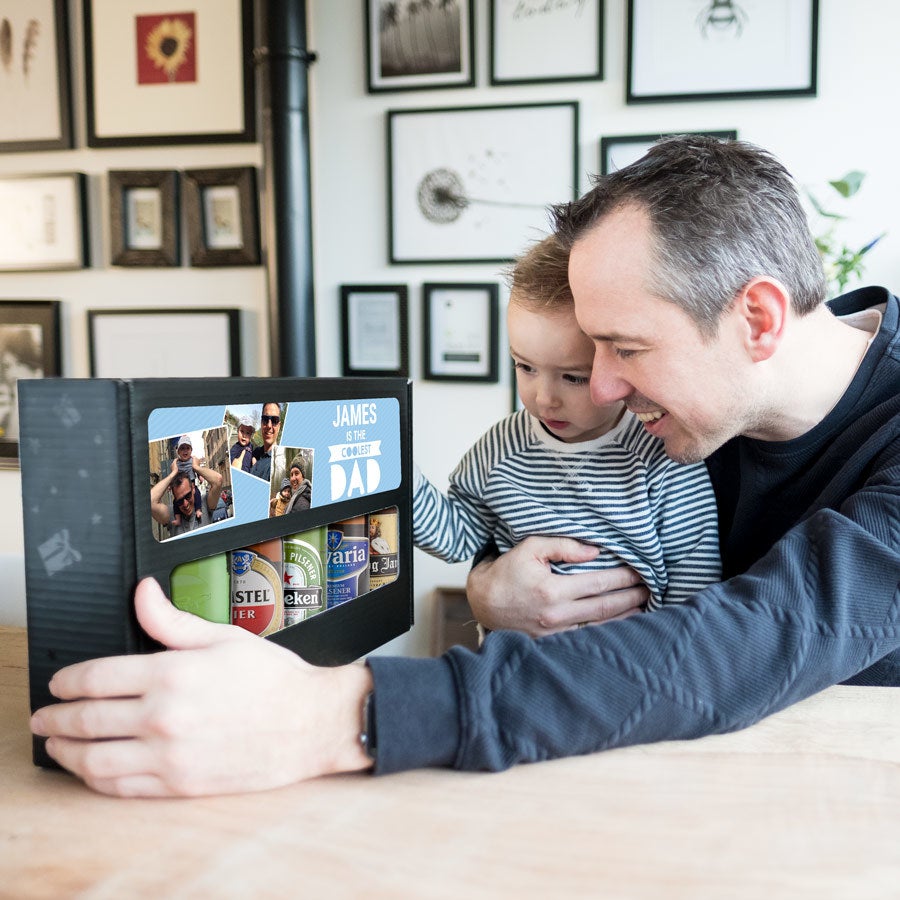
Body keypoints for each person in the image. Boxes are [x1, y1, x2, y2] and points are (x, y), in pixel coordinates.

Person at [30, 137, 900, 799]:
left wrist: (335, 715)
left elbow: (750, 638)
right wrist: (488, 590)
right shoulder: (681, 413)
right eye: (588, 351)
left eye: (626, 348)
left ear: (758, 319)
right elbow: (504, 541)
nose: (599, 388)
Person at [413, 235, 721, 614]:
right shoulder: (500, 448)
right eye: (525, 366)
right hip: (519, 647)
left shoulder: (662, 452)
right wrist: (402, 481)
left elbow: (694, 588)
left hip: (635, 648)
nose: (544, 398)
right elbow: (456, 537)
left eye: (573, 377)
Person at [150, 454, 224, 537]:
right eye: (180, 501)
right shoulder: (172, 514)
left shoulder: (205, 504)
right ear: (174, 498)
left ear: (193, 488)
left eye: (188, 496)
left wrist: (196, 467)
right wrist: (173, 473)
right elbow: (151, 501)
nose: (185, 504)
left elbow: (218, 480)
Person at [170, 435, 203, 527]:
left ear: (191, 450)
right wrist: (170, 484)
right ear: (178, 451)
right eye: (182, 448)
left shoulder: (193, 460)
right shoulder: (176, 463)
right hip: (181, 487)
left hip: (192, 484)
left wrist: (200, 477)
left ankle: (198, 510)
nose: (185, 451)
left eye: (187, 448)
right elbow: (174, 475)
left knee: (197, 494)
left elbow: (197, 470)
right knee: (175, 502)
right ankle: (178, 519)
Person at [249, 402, 283, 482]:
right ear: (261, 423)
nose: (269, 425)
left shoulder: (278, 466)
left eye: (274, 420)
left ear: (279, 426)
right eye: (265, 419)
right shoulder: (255, 452)